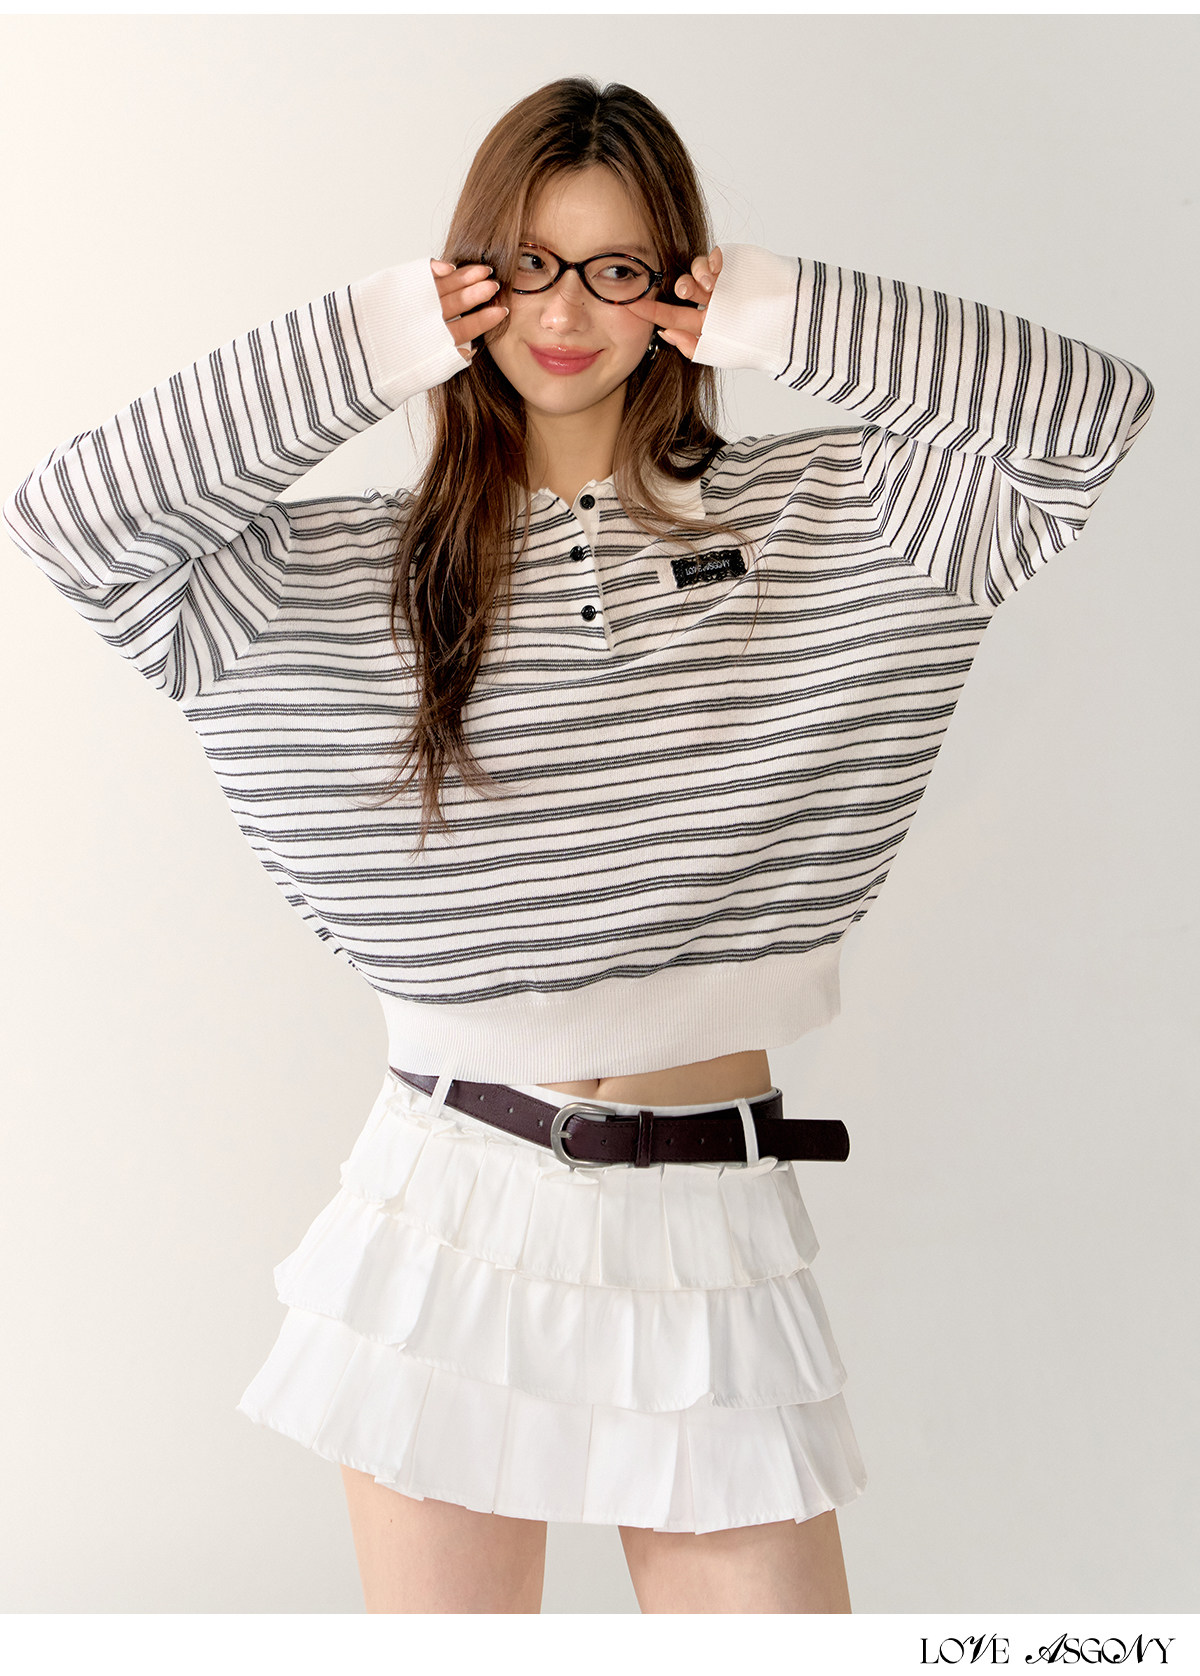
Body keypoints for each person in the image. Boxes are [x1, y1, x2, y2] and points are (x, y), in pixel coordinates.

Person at [2, 77, 1153, 1616]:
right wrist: (378, 334)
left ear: (677, 286)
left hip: (713, 1225)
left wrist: (776, 311)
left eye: (618, 270)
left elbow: (1086, 417)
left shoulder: (838, 517)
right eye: (528, 266)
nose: (565, 314)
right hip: (448, 1218)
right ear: (468, 280)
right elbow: (72, 519)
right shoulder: (344, 571)